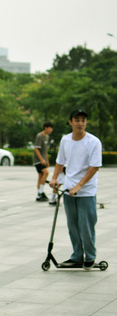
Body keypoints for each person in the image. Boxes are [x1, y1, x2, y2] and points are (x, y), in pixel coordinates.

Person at [49, 109, 102, 270]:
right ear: (70, 122)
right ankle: (77, 256)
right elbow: (60, 161)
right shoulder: (65, 140)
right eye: (77, 120)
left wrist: (79, 185)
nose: (80, 123)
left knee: (86, 226)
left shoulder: (93, 141)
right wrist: (54, 178)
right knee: (73, 226)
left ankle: (90, 257)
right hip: (68, 190)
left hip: (86, 192)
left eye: (83, 120)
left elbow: (94, 167)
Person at [33, 122, 54, 203]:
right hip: (38, 160)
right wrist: (41, 159)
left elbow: (45, 151)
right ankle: (41, 192)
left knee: (41, 176)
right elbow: (36, 149)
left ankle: (38, 195)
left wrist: (47, 160)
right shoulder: (40, 136)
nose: (51, 130)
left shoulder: (47, 137)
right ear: (46, 128)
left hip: (43, 160)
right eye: (50, 128)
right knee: (46, 173)